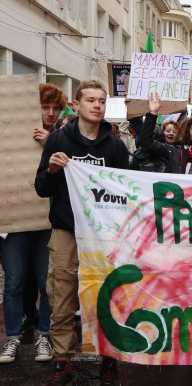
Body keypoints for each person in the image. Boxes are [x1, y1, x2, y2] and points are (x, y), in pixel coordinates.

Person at [34, 80, 129, 385]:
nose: (97, 106)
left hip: (103, 235)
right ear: (76, 105)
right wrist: (51, 169)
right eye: (91, 100)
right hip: (66, 230)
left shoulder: (115, 146)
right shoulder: (59, 140)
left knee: (106, 293)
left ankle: (108, 355)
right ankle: (62, 359)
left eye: (102, 101)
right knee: (61, 294)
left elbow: (124, 191)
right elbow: (40, 187)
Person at [0, 84, 67, 365]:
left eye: (55, 108)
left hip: (46, 221)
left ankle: (44, 335)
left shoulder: (62, 136)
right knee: (13, 282)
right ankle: (12, 338)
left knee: (46, 282)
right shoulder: (8, 132)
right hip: (13, 221)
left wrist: (49, 144)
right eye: (45, 107)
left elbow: (70, 174)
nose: (50, 113)